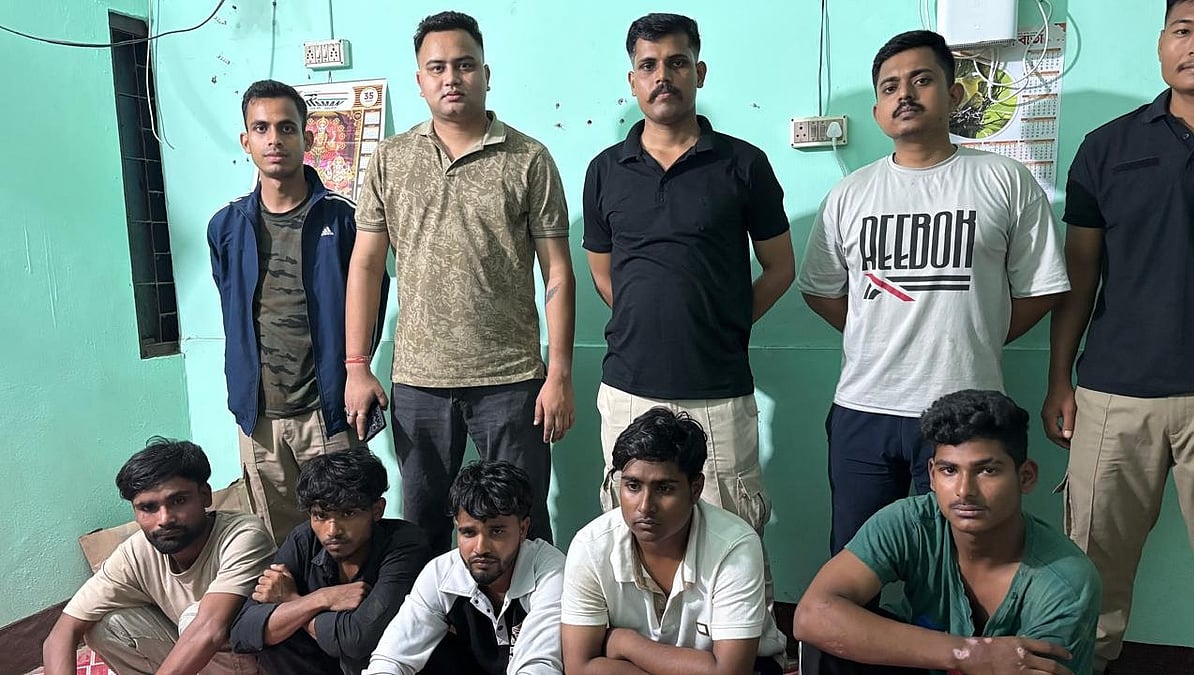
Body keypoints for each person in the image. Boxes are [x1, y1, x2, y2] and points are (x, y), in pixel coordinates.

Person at [797, 30, 1069, 557]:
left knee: (957, 558)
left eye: (921, 80)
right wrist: (873, 333)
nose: (905, 94)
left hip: (968, 409)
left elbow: (1042, 289)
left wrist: (980, 332)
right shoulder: (850, 194)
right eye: (890, 87)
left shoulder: (1004, 180)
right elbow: (822, 290)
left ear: (954, 94)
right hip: (864, 408)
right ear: (877, 111)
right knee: (855, 556)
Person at [344, 10, 575, 553]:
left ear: (485, 74)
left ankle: (528, 609)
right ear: (420, 80)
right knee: (422, 524)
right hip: (419, 381)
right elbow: (366, 266)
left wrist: (559, 373)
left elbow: (558, 272)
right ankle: (437, 610)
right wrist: (357, 366)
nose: (452, 78)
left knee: (520, 520)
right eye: (438, 67)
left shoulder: (529, 158)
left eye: (465, 65)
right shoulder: (391, 159)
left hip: (511, 379)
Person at [583, 12, 794, 545]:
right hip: (628, 387)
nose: (663, 76)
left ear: (698, 73)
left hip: (717, 392)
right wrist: (646, 320)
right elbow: (603, 272)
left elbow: (780, 267)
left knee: (731, 540)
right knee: (632, 539)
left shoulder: (744, 164)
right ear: (632, 80)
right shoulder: (605, 170)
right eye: (648, 65)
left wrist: (726, 321)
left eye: (676, 63)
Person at [1041, 2, 1194, 671]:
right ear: (1162, 42)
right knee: (1091, 571)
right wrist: (1060, 377)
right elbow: (1080, 273)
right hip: (1113, 394)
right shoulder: (1108, 147)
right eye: (1184, 30)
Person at [794, 390, 1100, 675]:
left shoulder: (1065, 581)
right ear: (932, 475)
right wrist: (970, 653)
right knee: (826, 643)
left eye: (987, 470)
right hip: (934, 662)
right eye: (949, 470)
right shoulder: (911, 522)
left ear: (1026, 477)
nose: (965, 491)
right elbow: (812, 615)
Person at [208, 79, 389, 545]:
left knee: (347, 536)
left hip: (328, 411)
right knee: (282, 543)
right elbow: (233, 309)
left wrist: (355, 371)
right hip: (259, 418)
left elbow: (374, 297)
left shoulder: (344, 219)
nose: (274, 139)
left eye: (286, 128)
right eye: (261, 128)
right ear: (245, 141)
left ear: (307, 138)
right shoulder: (226, 226)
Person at [561, 408, 786, 675]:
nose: (645, 506)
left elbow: (729, 671)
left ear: (696, 489)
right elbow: (580, 667)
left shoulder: (735, 547)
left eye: (664, 489)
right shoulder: (591, 546)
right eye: (633, 486)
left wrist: (626, 642)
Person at [43, 438, 276, 675]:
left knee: (194, 619)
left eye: (178, 501)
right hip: (199, 660)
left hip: (257, 663)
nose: (164, 519)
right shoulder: (136, 551)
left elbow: (209, 629)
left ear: (205, 495)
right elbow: (62, 632)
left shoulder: (244, 535)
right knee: (105, 626)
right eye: (148, 508)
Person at [229, 448, 431, 674]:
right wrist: (320, 599)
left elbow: (357, 641)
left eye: (348, 514)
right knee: (275, 636)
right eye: (321, 516)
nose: (332, 531)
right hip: (321, 665)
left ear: (377, 510)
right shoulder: (304, 539)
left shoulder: (405, 544)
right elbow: (242, 632)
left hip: (386, 668)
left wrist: (291, 600)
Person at [366, 460, 565, 674]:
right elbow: (391, 658)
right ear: (457, 528)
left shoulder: (550, 571)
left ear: (523, 529)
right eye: (469, 533)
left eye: (497, 531)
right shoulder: (441, 574)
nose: (481, 548)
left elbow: (540, 665)